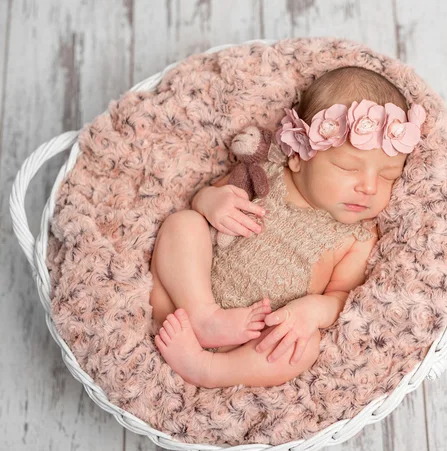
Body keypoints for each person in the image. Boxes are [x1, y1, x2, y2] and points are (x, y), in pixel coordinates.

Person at [149, 66, 425, 388]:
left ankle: (209, 368)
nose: (368, 187)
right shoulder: (269, 173)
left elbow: (340, 298)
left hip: (254, 341)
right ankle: (204, 316)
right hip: (180, 306)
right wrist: (210, 202)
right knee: (183, 224)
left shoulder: (358, 236)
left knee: (304, 348)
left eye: (387, 176)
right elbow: (209, 198)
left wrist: (310, 313)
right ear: (298, 156)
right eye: (348, 167)